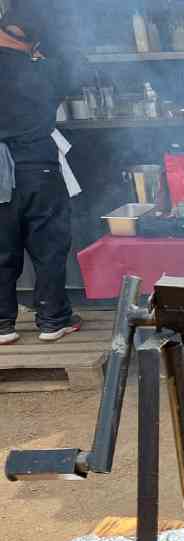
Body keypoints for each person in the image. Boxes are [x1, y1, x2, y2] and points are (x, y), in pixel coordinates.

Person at [0, 1, 79, 345]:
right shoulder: (44, 70)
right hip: (39, 165)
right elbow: (68, 80)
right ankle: (52, 320)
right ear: (34, 41)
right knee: (49, 245)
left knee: (1, 248)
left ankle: (3, 324)